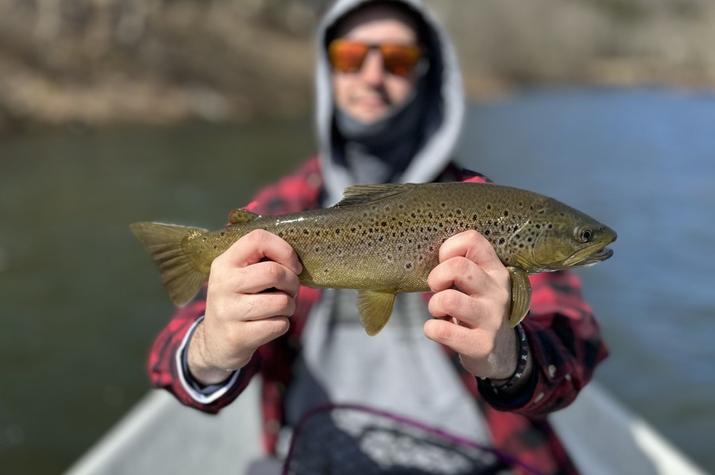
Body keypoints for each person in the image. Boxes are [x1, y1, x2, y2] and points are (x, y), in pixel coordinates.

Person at [147, 0, 608, 473]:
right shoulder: (283, 207)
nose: (372, 76)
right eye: (351, 57)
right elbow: (169, 359)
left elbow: (577, 339)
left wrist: (513, 357)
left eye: (397, 60)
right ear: (330, 72)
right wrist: (210, 349)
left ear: (428, 74)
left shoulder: (488, 205)